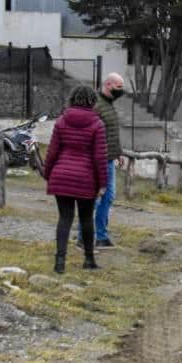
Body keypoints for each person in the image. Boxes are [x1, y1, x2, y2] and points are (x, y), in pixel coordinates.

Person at [43, 86, 108, 274]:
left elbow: (52, 151)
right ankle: (89, 260)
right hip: (86, 179)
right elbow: (99, 158)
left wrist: (48, 174)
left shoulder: (61, 121)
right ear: (93, 101)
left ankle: (59, 262)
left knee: (64, 218)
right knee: (86, 219)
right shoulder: (97, 125)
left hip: (61, 175)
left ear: (72, 99)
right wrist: (103, 183)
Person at [81, 73, 124, 249]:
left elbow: (112, 132)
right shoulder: (96, 105)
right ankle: (83, 237)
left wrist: (118, 152)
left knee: (108, 197)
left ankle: (101, 236)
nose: (121, 91)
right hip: (97, 161)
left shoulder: (109, 105)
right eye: (119, 87)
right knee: (94, 199)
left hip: (109, 159)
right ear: (108, 84)